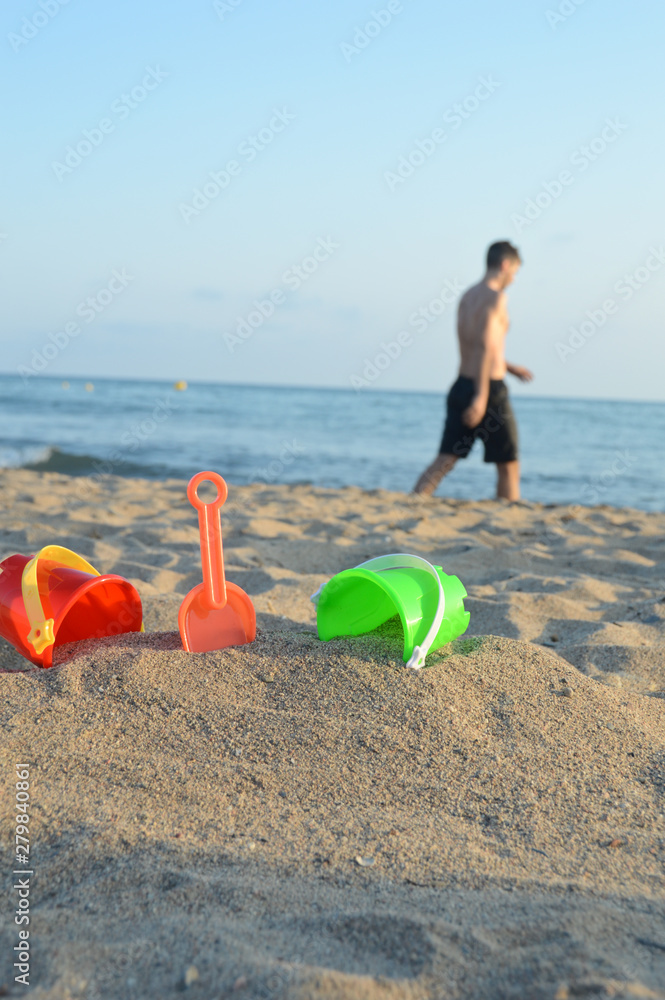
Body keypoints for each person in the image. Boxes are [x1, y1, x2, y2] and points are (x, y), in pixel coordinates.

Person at [413, 241, 533, 501]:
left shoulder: (468, 297)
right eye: (515, 271)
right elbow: (483, 347)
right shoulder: (497, 299)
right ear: (504, 265)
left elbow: (477, 346)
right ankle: (508, 518)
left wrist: (509, 366)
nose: (513, 278)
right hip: (487, 389)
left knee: (445, 460)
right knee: (509, 465)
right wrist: (481, 397)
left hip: (462, 384)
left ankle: (412, 504)